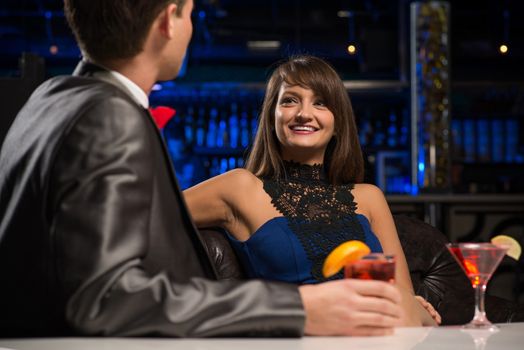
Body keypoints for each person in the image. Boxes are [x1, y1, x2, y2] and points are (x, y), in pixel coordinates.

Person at [0, 0, 404, 337]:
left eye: (321, 103)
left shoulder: (47, 100)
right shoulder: (110, 115)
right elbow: (105, 298)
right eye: (190, 14)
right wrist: (296, 306)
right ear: (167, 22)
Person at [184, 55, 439, 326]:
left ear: (337, 122)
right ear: (272, 117)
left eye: (320, 103)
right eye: (290, 100)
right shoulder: (239, 188)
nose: (304, 113)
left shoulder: (369, 197)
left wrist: (416, 308)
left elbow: (404, 302)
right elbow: (148, 213)